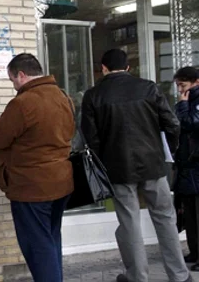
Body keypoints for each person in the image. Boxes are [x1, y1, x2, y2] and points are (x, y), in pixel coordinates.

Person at [81, 49, 191, 282]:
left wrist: (104, 165)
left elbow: (92, 139)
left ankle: (137, 277)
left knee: (129, 222)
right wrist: (167, 152)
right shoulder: (148, 88)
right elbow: (172, 124)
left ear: (103, 68)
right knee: (165, 218)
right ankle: (180, 276)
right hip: (153, 164)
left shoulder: (93, 95)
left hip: (118, 168)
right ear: (128, 67)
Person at [0, 53, 74, 282]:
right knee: (51, 240)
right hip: (61, 182)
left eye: (13, 80)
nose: (14, 86)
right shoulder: (63, 96)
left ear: (22, 75)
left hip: (32, 186)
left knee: (37, 247)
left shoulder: (23, 102)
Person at [172, 66, 199, 268]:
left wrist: (182, 105)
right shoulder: (187, 101)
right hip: (187, 165)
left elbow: (189, 123)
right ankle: (194, 251)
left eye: (183, 85)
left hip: (196, 164)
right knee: (189, 214)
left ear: (195, 82)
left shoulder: (192, 103)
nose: (180, 90)